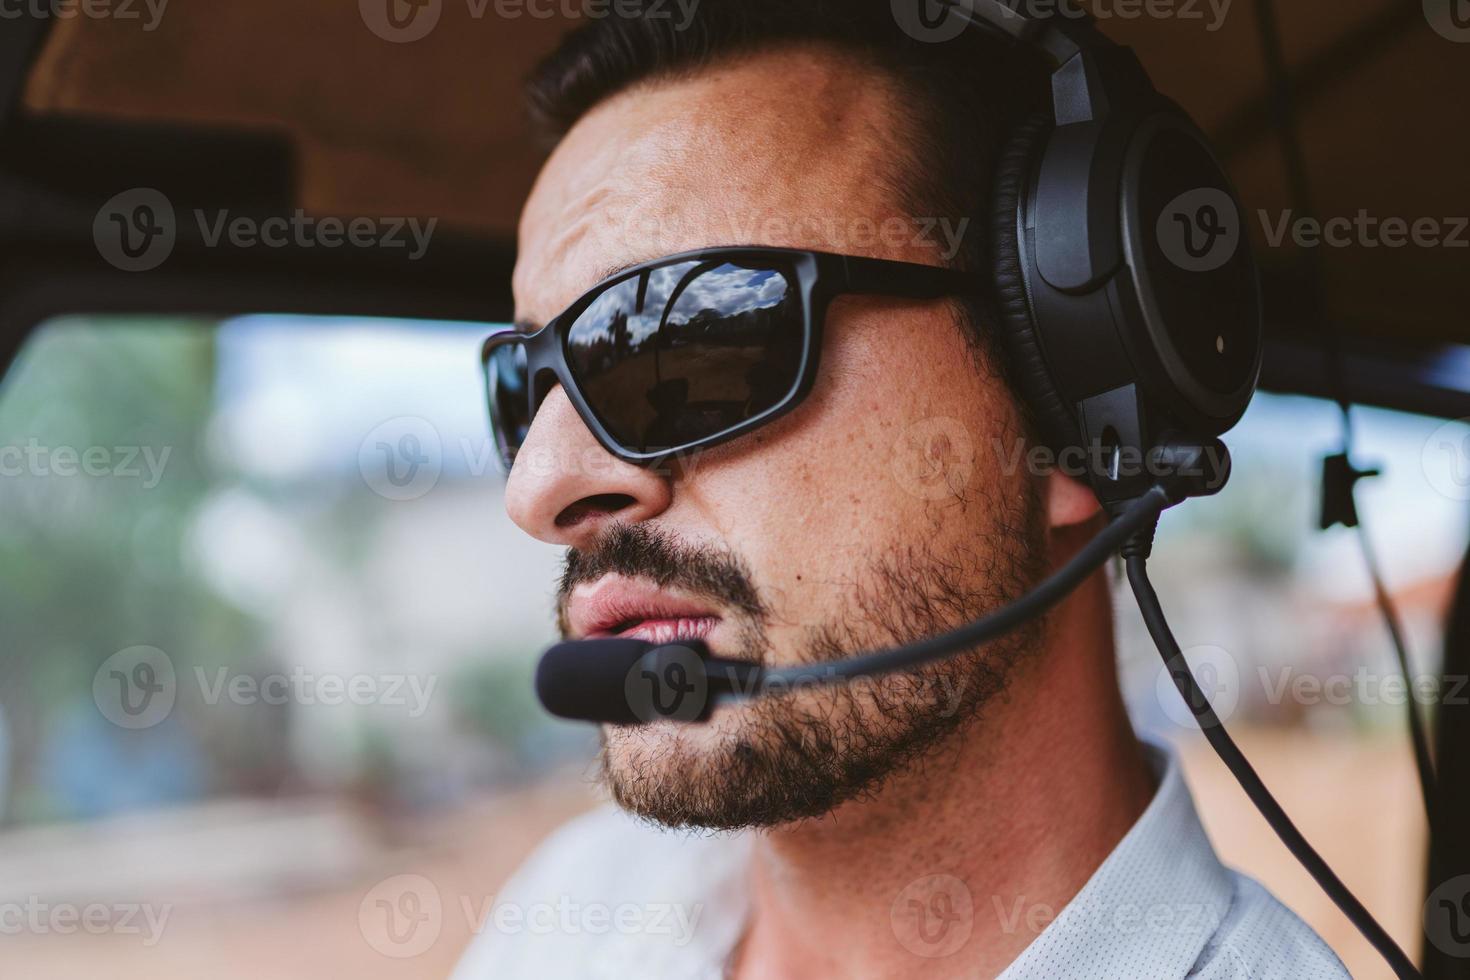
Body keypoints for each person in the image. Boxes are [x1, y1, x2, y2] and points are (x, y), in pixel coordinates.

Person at [454, 3, 1348, 977]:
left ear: (1068, 406)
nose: (541, 488)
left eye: (685, 341)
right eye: (525, 386)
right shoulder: (573, 908)